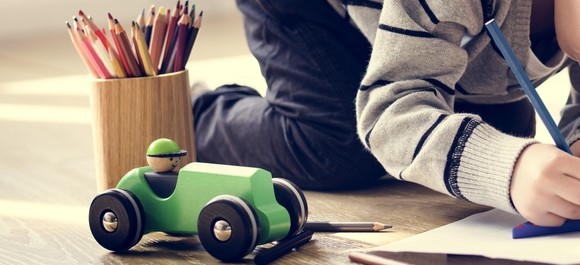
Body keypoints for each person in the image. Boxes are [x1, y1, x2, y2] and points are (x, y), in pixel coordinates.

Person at [192, 0, 580, 227]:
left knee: (504, 133)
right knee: (337, 146)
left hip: (433, 28)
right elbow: (389, 115)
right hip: (314, 8)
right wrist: (510, 169)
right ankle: (195, 111)